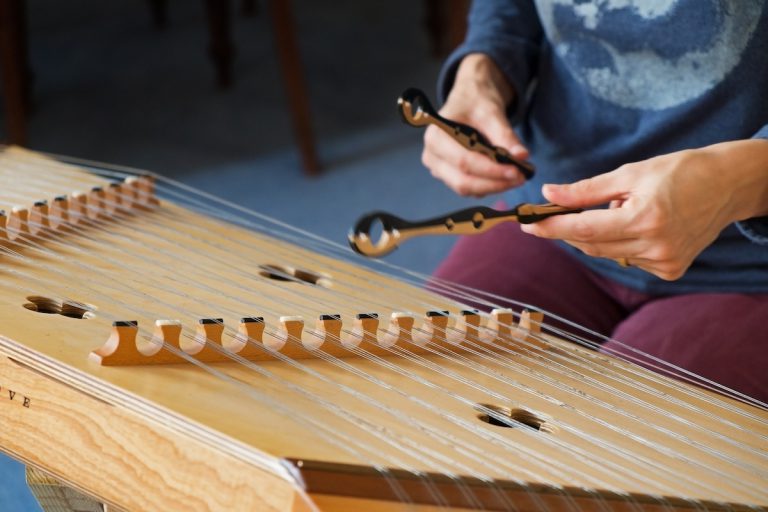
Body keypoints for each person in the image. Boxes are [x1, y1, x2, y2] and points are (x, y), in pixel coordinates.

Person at [423, 0, 768, 401]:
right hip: (549, 214)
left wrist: (740, 180)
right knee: (424, 393)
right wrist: (483, 67)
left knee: (610, 446)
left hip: (750, 266)